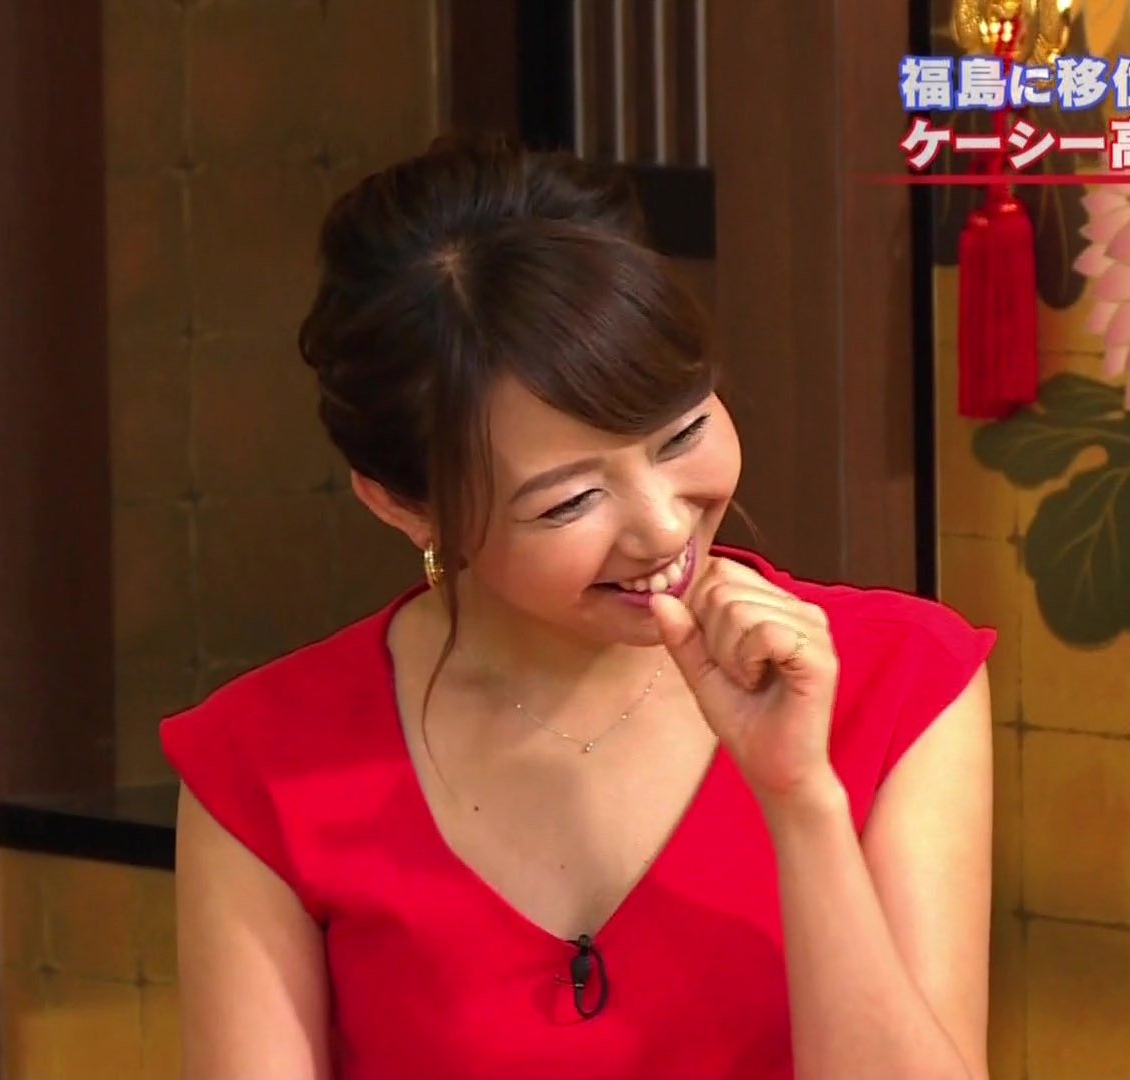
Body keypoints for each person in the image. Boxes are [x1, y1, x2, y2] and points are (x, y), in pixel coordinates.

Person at [163, 133, 996, 1080]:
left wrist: (802, 802)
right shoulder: (264, 766)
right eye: (569, 501)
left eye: (682, 432)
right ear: (402, 505)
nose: (662, 526)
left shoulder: (901, 681)